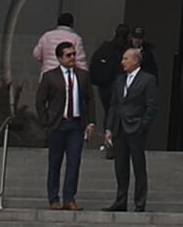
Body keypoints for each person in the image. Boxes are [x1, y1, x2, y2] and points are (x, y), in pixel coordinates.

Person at [95, 27, 160, 214]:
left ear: (135, 61)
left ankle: (140, 202)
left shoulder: (147, 80)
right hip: (119, 128)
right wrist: (109, 128)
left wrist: (143, 125)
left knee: (138, 166)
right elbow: (114, 105)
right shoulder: (119, 80)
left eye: (125, 59)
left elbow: (151, 106)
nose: (122, 62)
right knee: (120, 165)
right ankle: (120, 200)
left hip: (136, 127)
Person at [32, 18, 88, 210]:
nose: (73, 58)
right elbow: (40, 101)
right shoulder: (50, 77)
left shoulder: (82, 76)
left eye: (74, 54)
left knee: (74, 162)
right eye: (69, 55)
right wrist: (45, 121)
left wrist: (91, 121)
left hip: (75, 125)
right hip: (57, 124)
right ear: (60, 58)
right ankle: (53, 197)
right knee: (55, 162)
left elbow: (89, 99)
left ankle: (69, 198)